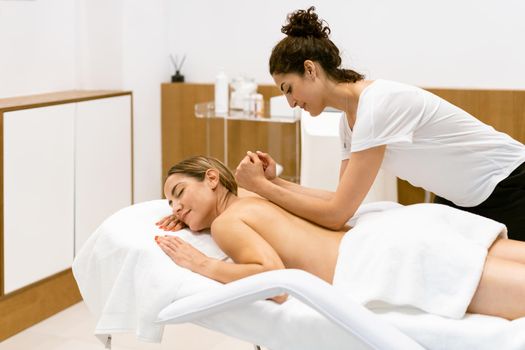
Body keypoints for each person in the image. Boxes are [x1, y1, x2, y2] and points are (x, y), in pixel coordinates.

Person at [233, 7, 525, 241]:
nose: (291, 102)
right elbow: (339, 199)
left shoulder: (376, 106)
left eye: (288, 89)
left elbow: (336, 214)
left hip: (510, 184)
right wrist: (274, 182)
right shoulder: (348, 122)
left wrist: (261, 187)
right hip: (461, 198)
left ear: (310, 69)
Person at [156, 155, 525, 320]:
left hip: (375, 259)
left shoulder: (226, 224)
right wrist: (186, 215)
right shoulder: (256, 195)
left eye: (178, 193)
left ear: (210, 178)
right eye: (170, 204)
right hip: (390, 232)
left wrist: (201, 262)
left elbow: (274, 278)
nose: (175, 207)